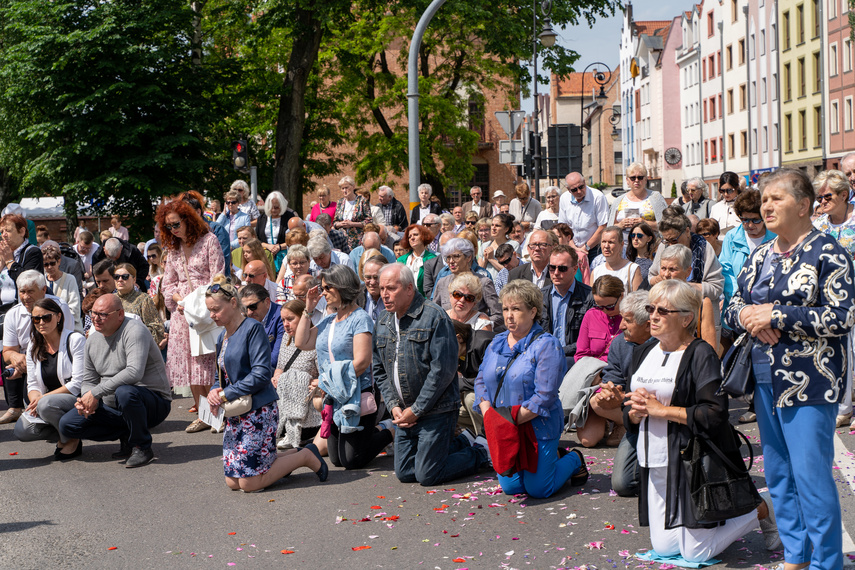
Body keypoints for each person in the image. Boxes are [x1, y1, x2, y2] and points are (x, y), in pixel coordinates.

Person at [724, 169, 855, 570]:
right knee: (779, 475)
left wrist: (776, 314)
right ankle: (797, 555)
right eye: (764, 199)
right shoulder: (761, 254)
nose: (766, 205)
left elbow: (842, 316)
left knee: (811, 477)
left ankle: (827, 562)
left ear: (803, 205)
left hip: (811, 381)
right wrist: (747, 313)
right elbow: (732, 307)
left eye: (776, 199)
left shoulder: (828, 252)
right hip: (764, 378)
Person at [626, 279, 779, 564]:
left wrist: (662, 411)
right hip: (653, 459)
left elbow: (715, 413)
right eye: (651, 308)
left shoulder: (700, 354)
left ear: (686, 318)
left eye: (662, 310)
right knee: (665, 548)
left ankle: (763, 508)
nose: (653, 316)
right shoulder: (644, 352)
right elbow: (636, 410)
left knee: (695, 552)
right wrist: (632, 412)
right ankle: (716, 523)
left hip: (688, 462)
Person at [204, 277, 327, 490]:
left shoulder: (252, 328)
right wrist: (215, 390)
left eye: (216, 309)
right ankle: (294, 455)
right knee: (233, 482)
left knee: (250, 483)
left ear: (233, 303)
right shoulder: (222, 336)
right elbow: (220, 374)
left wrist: (226, 394)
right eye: (209, 310)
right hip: (236, 412)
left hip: (258, 410)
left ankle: (305, 456)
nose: (212, 315)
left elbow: (261, 374)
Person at [373, 263, 489, 485]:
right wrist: (394, 406)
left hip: (437, 409)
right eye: (382, 289)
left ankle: (480, 453)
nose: (385, 295)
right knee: (406, 473)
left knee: (427, 475)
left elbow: (443, 371)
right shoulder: (383, 320)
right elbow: (379, 369)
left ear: (409, 288)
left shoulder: (434, 317)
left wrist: (416, 410)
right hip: (404, 411)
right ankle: (461, 441)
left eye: (391, 288)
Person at [474, 279, 588, 498]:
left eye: (516, 309)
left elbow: (543, 396)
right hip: (503, 425)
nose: (509, 315)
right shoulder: (496, 342)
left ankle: (573, 458)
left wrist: (505, 420)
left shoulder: (547, 344)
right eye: (506, 309)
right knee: (512, 488)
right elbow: (480, 381)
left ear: (533, 311)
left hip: (537, 425)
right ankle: (551, 460)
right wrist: (490, 413)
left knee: (539, 489)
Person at [294, 264, 394, 469]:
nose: (324, 293)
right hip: (333, 394)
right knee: (337, 459)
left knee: (352, 460)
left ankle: (389, 430)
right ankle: (369, 435)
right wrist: (308, 308)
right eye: (322, 288)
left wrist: (327, 382)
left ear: (342, 287)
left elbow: (362, 362)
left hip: (357, 392)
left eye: (327, 288)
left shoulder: (360, 319)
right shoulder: (329, 320)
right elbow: (301, 342)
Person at [58, 295, 172, 468]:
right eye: (92, 313)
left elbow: (134, 373)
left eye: (102, 314)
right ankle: (128, 432)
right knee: (68, 425)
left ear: (120, 314)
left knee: (125, 392)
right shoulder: (92, 339)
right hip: (114, 404)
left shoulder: (135, 330)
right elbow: (89, 379)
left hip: (152, 401)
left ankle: (142, 446)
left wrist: (96, 393)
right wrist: (87, 400)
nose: (95, 318)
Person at [158, 199, 225, 432]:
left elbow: (218, 277)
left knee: (206, 362)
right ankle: (204, 414)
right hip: (181, 312)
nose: (172, 230)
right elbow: (167, 284)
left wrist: (202, 302)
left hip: (204, 310)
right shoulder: (173, 249)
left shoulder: (209, 241)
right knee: (189, 364)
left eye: (176, 224)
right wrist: (179, 300)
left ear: (188, 220)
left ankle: (218, 414)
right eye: (168, 227)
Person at [588, 291, 655, 490]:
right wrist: (610, 396)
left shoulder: (667, 345)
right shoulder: (620, 343)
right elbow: (613, 381)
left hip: (669, 419)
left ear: (648, 324)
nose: (621, 325)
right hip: (636, 419)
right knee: (622, 484)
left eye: (627, 320)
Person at [12, 298, 86, 458]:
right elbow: (32, 384)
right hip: (48, 403)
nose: (41, 323)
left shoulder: (75, 340)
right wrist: (35, 401)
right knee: (22, 430)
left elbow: (77, 384)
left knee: (45, 405)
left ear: (58, 317)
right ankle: (66, 431)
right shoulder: (33, 345)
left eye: (46, 317)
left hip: (75, 399)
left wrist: (43, 399)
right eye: (36, 319)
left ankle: (72, 439)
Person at [1, 271, 75, 425]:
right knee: (8, 361)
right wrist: (16, 358)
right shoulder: (13, 314)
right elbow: (8, 350)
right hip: (26, 362)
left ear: (43, 290)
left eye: (30, 291)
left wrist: (33, 362)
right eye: (22, 292)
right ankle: (15, 407)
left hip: (52, 359)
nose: (26, 297)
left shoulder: (59, 307)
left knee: (41, 409)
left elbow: (63, 344)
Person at [812, 170, 855, 426]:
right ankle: (844, 407)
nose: (821, 202)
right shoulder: (819, 226)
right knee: (840, 353)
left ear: (843, 194)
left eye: (826, 196)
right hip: (831, 301)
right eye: (819, 198)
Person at [273, 299, 323, 451]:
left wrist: (311, 382)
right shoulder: (287, 339)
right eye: (283, 320)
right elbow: (280, 366)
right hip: (286, 397)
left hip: (308, 399)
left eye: (290, 319)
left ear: (303, 318)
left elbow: (324, 374)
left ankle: (301, 433)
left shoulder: (317, 340)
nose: (286, 324)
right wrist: (277, 376)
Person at [656, 245, 718, 353]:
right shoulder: (654, 300)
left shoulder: (700, 303)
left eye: (672, 269)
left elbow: (710, 349)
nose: (666, 274)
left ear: (688, 271)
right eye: (663, 268)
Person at [540, 245, 593, 368]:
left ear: (575, 269)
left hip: (574, 359)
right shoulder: (540, 296)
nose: (556, 273)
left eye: (562, 268)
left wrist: (559, 352)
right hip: (543, 357)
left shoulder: (589, 297)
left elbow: (588, 340)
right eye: (552, 268)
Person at [433, 238, 502, 328]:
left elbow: (499, 315)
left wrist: (479, 325)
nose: (451, 261)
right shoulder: (442, 282)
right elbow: (434, 312)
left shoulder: (483, 282)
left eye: (456, 256)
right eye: (448, 257)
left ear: (469, 257)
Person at [0, 213, 44, 319]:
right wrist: (1, 264)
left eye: (8, 231)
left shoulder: (33, 252)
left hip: (24, 313)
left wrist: (10, 261)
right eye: (2, 232)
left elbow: (27, 283)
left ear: (22, 231)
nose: (4, 235)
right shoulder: (3, 254)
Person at [558, 172, 610, 262]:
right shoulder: (564, 198)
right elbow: (563, 227)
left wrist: (586, 247)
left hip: (594, 249)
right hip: (572, 247)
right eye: (574, 190)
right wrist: (574, 247)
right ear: (568, 189)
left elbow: (603, 226)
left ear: (585, 182)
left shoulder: (598, 197)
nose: (579, 191)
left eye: (581, 187)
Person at [608, 162, 667, 237]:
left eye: (640, 177)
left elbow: (666, 225)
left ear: (645, 180)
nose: (636, 180)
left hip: (651, 244)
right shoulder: (618, 200)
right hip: (624, 245)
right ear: (627, 180)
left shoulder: (655, 197)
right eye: (633, 178)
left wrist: (644, 223)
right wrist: (620, 225)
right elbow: (609, 227)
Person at [115, 263, 165, 348]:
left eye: (125, 277)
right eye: (116, 277)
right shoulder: (110, 299)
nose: (120, 280)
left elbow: (157, 328)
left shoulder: (143, 299)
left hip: (137, 347)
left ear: (134, 279)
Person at [574, 275, 624, 363]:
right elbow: (581, 354)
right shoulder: (591, 315)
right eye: (599, 306)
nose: (605, 311)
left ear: (622, 296)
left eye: (610, 306)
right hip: (594, 371)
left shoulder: (631, 317)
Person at [239, 284, 283, 370]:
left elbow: (275, 359)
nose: (249, 312)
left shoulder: (281, 316)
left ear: (267, 302)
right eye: (244, 308)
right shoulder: (244, 319)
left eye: (253, 307)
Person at [42, 244, 83, 332]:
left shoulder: (70, 279)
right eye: (46, 264)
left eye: (52, 263)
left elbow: (75, 309)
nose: (49, 267)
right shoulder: (41, 281)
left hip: (70, 328)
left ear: (59, 261)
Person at [591, 227, 642, 293]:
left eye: (611, 242)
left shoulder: (633, 269)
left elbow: (638, 299)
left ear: (621, 244)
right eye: (604, 242)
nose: (606, 246)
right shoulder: (596, 271)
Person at [255, 191, 293, 272]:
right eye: (270, 207)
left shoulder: (289, 217)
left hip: (284, 255)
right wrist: (269, 246)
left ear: (282, 206)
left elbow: (295, 238)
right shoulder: (261, 218)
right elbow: (256, 239)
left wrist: (279, 247)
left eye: (276, 207)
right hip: (266, 255)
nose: (273, 210)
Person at [333, 176, 372, 251]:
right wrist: (340, 224)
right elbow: (335, 222)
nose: (345, 190)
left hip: (358, 241)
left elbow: (369, 221)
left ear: (353, 186)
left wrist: (352, 224)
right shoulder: (340, 202)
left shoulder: (362, 201)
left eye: (346, 188)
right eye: (342, 188)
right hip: (342, 241)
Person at [397, 224, 436, 297]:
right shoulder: (401, 260)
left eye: (415, 235)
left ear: (423, 236)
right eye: (409, 236)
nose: (412, 238)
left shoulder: (433, 259)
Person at [480, 213, 520, 279]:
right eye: (492, 225)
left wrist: (491, 259)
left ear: (506, 229)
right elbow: (480, 271)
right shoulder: (485, 245)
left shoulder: (514, 245)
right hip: (487, 285)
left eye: (497, 226)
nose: (493, 228)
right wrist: (485, 260)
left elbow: (512, 271)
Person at [709, 171, 743, 238]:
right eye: (722, 191)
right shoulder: (716, 208)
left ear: (737, 187)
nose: (726, 194)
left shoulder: (744, 205)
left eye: (729, 190)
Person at [361, 255, 387, 323]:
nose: (372, 282)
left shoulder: (396, 297)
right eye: (368, 277)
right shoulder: (356, 297)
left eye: (376, 277)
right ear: (363, 277)